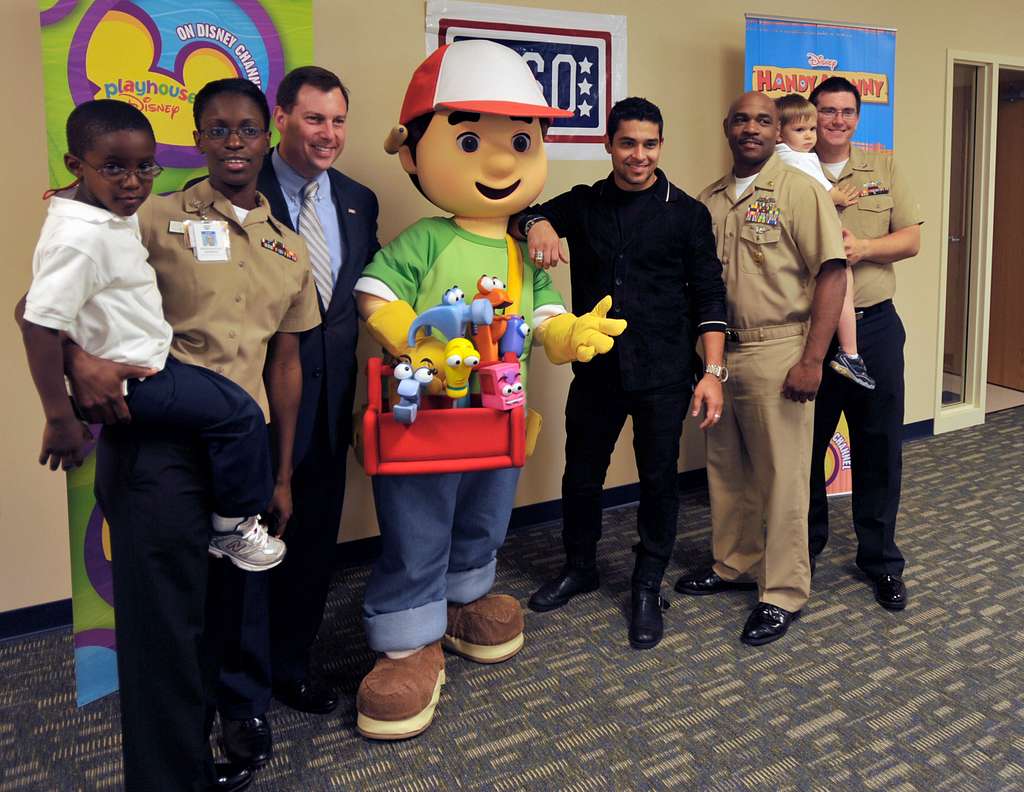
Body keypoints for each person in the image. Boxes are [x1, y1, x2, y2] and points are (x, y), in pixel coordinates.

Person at [352, 39, 624, 740]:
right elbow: (374, 289)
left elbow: (541, 310)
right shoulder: (425, 238)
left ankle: (467, 598)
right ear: (412, 154)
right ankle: (409, 638)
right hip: (425, 418)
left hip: (498, 415)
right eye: (470, 139)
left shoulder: (516, 246)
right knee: (418, 520)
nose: (502, 161)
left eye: (519, 141)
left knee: (486, 511)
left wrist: (566, 336)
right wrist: (420, 339)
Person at [63, 79, 320, 791]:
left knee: (231, 607)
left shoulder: (289, 248)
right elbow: (55, 291)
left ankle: (224, 726)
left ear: (269, 135)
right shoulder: (150, 215)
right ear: (198, 138)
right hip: (160, 450)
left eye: (246, 129)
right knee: (166, 631)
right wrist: (78, 361)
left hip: (243, 456)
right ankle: (172, 778)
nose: (233, 142)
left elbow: (287, 363)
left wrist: (282, 473)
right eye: (217, 129)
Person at [19, 99, 285, 577]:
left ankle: (228, 523)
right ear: (77, 165)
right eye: (114, 169)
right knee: (242, 415)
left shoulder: (102, 209)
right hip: (136, 379)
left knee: (233, 404)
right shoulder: (80, 237)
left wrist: (80, 187)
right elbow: (36, 320)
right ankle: (232, 526)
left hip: (154, 362)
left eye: (145, 168)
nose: (133, 182)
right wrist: (58, 416)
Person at [214, 66, 380, 770]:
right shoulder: (240, 193)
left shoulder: (357, 200)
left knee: (311, 548)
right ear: (282, 118)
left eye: (339, 121)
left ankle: (292, 665)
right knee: (247, 559)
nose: (330, 135)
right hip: (252, 410)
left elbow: (359, 294)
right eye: (315, 119)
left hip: (326, 410)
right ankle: (241, 695)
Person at [517, 97, 728, 650]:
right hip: (596, 369)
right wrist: (537, 221)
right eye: (628, 143)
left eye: (650, 143)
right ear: (608, 144)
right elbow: (518, 212)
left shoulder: (686, 214)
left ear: (661, 146)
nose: (639, 154)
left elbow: (709, 293)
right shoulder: (584, 204)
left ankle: (646, 582)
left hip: (663, 370)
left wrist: (712, 372)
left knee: (659, 480)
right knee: (581, 474)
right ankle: (580, 566)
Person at [675, 91, 847, 646]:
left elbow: (832, 274)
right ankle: (733, 563)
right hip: (722, 354)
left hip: (781, 350)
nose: (752, 128)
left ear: (780, 130)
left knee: (784, 478)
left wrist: (813, 359)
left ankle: (783, 592)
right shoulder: (710, 200)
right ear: (726, 127)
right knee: (726, 469)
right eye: (742, 119)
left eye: (764, 120)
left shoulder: (799, 190)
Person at [807, 77, 922, 611]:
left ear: (858, 116)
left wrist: (865, 248)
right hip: (808, 333)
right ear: (812, 114)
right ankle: (800, 556)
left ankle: (879, 561)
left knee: (878, 447)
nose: (836, 120)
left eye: (846, 111)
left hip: (873, 327)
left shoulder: (884, 167)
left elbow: (912, 239)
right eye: (827, 111)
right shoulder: (789, 170)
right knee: (804, 449)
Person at [775, 92, 874, 389]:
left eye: (811, 129)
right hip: (820, 244)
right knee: (842, 281)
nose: (808, 137)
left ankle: (849, 352)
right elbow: (819, 194)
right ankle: (850, 353)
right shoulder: (797, 158)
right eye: (800, 130)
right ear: (779, 132)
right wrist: (841, 196)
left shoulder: (776, 157)